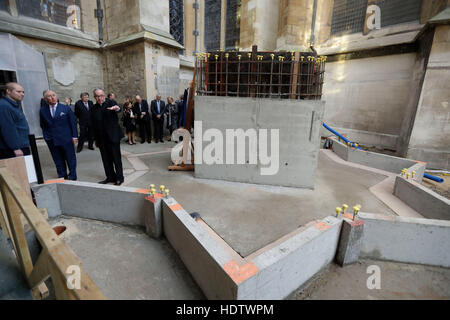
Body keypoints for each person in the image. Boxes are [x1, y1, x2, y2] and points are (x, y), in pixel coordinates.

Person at [40, 90, 78, 180]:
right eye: (49, 96)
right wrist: (46, 137)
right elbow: (43, 125)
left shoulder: (65, 108)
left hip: (66, 138)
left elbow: (73, 123)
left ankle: (72, 175)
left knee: (70, 158)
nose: (52, 97)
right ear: (45, 99)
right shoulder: (43, 110)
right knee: (57, 158)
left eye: (54, 95)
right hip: (52, 139)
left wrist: (74, 136)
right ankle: (62, 175)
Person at [91, 88, 124, 186]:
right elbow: (94, 124)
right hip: (101, 138)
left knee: (116, 158)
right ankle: (110, 177)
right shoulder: (93, 108)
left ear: (104, 95)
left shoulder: (111, 102)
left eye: (101, 95)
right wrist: (95, 139)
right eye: (97, 96)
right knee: (106, 159)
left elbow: (118, 108)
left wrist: (116, 108)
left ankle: (119, 178)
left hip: (113, 137)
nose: (99, 98)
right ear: (94, 97)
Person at [0, 82, 30, 160]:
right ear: (8, 91)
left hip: (22, 145)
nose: (22, 94)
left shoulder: (14, 105)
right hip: (14, 150)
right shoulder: (4, 106)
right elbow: (7, 128)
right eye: (18, 92)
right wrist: (15, 148)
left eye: (23, 92)